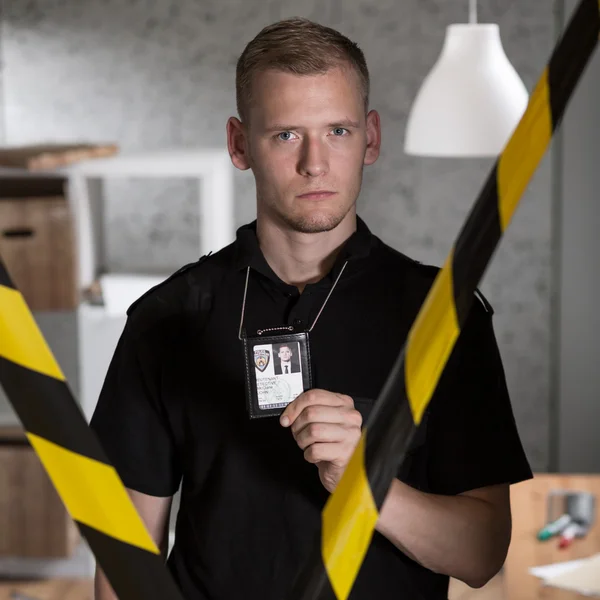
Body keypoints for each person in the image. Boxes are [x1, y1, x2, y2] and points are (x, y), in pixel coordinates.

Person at [90, 16, 533, 600]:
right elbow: (126, 567)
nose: (315, 164)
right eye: (286, 135)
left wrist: (367, 484)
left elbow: (481, 555)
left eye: (339, 132)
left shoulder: (443, 317)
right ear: (238, 144)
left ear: (370, 138)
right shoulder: (165, 318)